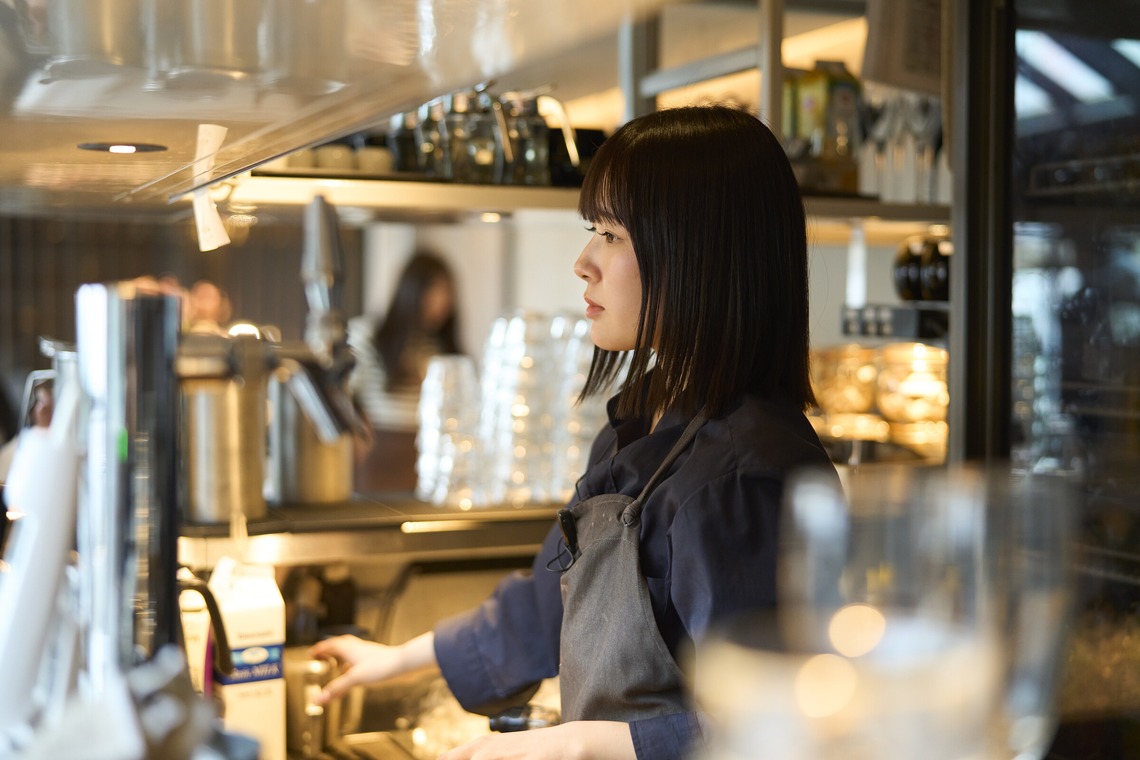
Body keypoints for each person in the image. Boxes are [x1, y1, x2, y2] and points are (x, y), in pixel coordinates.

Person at [311, 105, 839, 760]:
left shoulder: (743, 477)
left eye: (613, 235)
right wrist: (393, 660)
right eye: (594, 230)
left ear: (699, 252)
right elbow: (550, 602)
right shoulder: (641, 427)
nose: (583, 262)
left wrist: (575, 747)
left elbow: (778, 726)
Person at [347, 250, 462, 492]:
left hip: (430, 460)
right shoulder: (369, 335)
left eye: (446, 291)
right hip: (379, 455)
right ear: (412, 290)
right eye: (433, 289)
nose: (441, 300)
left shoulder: (444, 349)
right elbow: (346, 393)